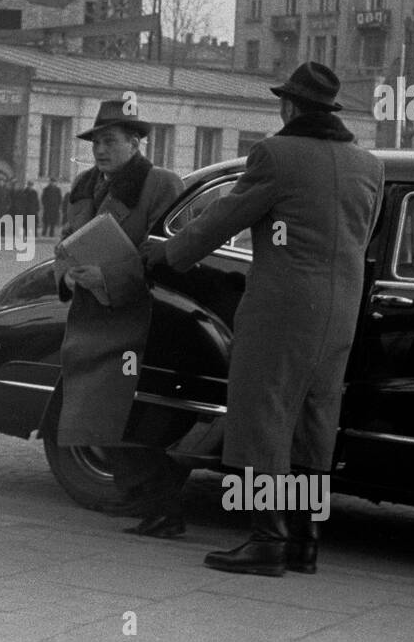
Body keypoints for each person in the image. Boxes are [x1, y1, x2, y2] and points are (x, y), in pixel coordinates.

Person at [143, 62, 384, 577]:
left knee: (262, 416)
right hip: (339, 311)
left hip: (283, 310)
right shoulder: (369, 165)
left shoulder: (275, 155)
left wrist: (168, 254)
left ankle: (265, 539)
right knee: (314, 422)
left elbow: (223, 218)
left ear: (291, 106)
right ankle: (304, 542)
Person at [39, 101, 186, 538]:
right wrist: (65, 271)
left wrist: (109, 274)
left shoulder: (161, 183)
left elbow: (171, 252)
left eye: (111, 141)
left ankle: (163, 505)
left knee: (122, 415)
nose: (100, 150)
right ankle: (146, 500)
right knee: (96, 416)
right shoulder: (85, 184)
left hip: (136, 315)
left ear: (136, 142)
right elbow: (68, 240)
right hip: (90, 313)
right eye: (96, 142)